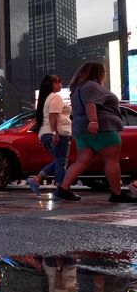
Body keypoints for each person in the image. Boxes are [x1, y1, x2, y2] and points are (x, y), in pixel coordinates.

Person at [54, 62, 137, 202]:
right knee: (111, 161)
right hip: (103, 128)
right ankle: (117, 193)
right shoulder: (91, 86)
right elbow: (90, 103)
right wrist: (94, 121)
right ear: (99, 73)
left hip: (82, 130)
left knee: (82, 161)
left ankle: (63, 189)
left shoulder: (77, 89)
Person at [27, 75, 71, 196]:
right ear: (53, 84)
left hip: (47, 133)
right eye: (59, 82)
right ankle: (61, 189)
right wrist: (55, 133)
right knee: (61, 162)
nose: (61, 85)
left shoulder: (46, 98)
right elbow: (53, 116)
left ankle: (37, 179)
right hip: (57, 133)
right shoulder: (55, 97)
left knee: (59, 161)